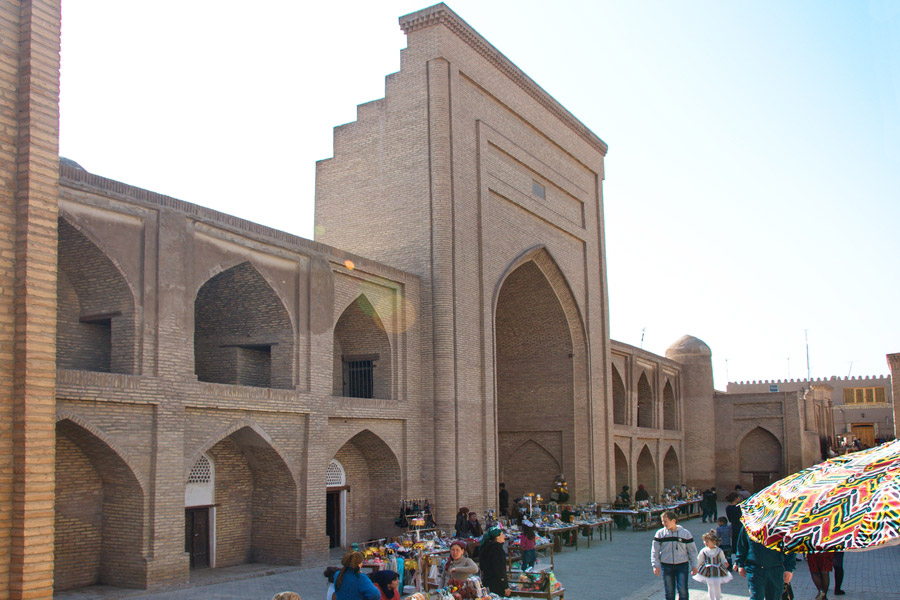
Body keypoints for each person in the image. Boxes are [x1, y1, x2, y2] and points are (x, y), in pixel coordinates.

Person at [733, 527, 796, 600]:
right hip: (754, 569)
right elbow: (742, 545)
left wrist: (789, 569)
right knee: (756, 597)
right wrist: (740, 563)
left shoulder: (781, 525)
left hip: (775, 569)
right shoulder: (749, 524)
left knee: (774, 597)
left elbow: (790, 547)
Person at [651, 510, 699, 600]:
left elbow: (692, 551)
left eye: (665, 521)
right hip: (666, 565)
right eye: (662, 521)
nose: (663, 523)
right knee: (669, 590)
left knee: (682, 589)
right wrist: (655, 565)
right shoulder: (660, 534)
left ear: (673, 521)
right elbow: (655, 550)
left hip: (682, 565)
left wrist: (694, 565)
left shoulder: (685, 533)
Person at [692, 530, 732, 600]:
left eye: (707, 541)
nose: (705, 543)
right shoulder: (704, 550)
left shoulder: (719, 550)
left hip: (717, 570)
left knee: (717, 585)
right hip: (707, 570)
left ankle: (717, 597)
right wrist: (695, 568)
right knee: (710, 585)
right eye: (704, 541)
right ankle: (711, 598)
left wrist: (725, 562)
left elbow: (723, 559)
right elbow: (699, 560)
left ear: (714, 542)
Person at [479, 527, 511, 596]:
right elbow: (500, 569)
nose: (504, 536)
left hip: (486, 581)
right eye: (502, 534)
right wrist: (505, 586)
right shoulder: (497, 550)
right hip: (496, 584)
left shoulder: (484, 547)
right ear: (497, 537)